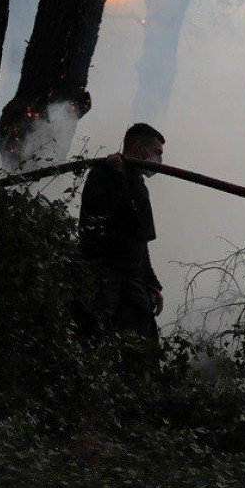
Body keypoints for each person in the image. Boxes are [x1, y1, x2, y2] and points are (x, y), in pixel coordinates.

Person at [78, 123, 166, 346]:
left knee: (142, 346)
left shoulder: (139, 186)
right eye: (157, 152)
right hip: (102, 274)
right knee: (95, 339)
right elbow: (97, 213)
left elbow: (140, 240)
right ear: (139, 146)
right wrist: (117, 176)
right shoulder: (103, 173)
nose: (159, 160)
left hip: (133, 279)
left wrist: (151, 283)